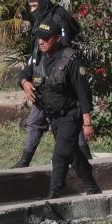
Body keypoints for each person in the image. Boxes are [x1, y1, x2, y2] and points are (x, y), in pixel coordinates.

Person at [18, 18, 101, 198]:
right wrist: (24, 82)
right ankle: (92, 187)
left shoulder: (70, 59)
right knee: (73, 153)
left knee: (59, 156)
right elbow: (24, 74)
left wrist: (87, 122)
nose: (41, 42)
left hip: (70, 115)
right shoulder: (38, 56)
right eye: (39, 38)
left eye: (45, 38)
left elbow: (83, 92)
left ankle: (53, 195)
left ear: (56, 38)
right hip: (53, 116)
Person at [11, 0, 85, 168]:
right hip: (42, 79)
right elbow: (36, 55)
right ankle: (25, 161)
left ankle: (87, 160)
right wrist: (24, 80)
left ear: (43, 3)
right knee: (35, 121)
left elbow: (63, 53)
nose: (31, 10)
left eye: (34, 6)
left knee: (68, 123)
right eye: (30, 6)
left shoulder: (58, 18)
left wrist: (51, 80)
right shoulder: (41, 19)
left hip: (60, 82)